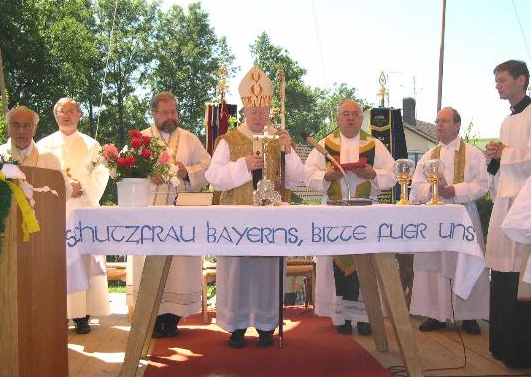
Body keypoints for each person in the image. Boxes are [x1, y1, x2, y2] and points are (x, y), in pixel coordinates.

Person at [205, 65, 304, 348]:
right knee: (237, 272)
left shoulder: (279, 138)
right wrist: (242, 166)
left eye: (263, 111)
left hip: (271, 219)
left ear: (269, 110)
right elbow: (213, 177)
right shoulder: (229, 140)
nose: (258, 117)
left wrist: (289, 150)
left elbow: (297, 179)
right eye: (253, 112)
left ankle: (266, 325)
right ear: (245, 112)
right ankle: (236, 326)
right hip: (237, 217)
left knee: (266, 273)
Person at [304, 99, 396, 335]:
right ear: (337, 118)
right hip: (334, 213)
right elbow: (308, 175)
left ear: (361, 118)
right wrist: (327, 177)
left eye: (355, 113)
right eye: (346, 113)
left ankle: (366, 318)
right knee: (339, 266)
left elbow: (394, 174)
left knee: (366, 264)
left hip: (365, 214)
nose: (351, 117)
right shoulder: (325, 144)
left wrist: (372, 173)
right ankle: (342, 318)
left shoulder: (374, 145)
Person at [126, 91, 211, 338]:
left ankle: (173, 319)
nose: (170, 116)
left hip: (180, 215)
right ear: (153, 113)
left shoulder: (189, 139)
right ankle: (150, 319)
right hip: (148, 216)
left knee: (179, 266)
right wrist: (146, 176)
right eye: (165, 112)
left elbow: (208, 167)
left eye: (173, 111)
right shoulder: (141, 139)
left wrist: (188, 172)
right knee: (147, 264)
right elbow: (124, 170)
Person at [409, 107, 489, 335]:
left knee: (465, 259)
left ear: (457, 125)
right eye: (437, 121)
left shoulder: (473, 154)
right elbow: (416, 185)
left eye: (444, 121)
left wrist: (455, 190)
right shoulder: (429, 155)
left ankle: (469, 315)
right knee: (435, 262)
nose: (439, 125)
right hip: (435, 218)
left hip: (462, 215)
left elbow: (482, 184)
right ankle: (436, 313)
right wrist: (434, 190)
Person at [37, 97, 110, 334]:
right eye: (61, 111)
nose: (66, 115)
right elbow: (37, 176)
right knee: (56, 262)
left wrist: (82, 187)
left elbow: (101, 175)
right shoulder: (43, 145)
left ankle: (82, 315)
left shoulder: (92, 145)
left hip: (82, 211)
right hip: (54, 212)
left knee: (83, 262)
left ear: (79, 115)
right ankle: (58, 313)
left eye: (71, 111)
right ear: (55, 115)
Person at [485, 60, 531, 368]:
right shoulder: (506, 120)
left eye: (502, 80)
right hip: (504, 200)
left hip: (525, 204)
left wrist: (507, 154)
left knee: (519, 275)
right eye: (496, 80)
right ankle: (501, 344)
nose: (497, 85)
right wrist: (494, 159)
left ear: (522, 80)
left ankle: (520, 350)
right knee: (501, 273)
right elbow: (505, 162)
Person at [0, 106, 65, 175]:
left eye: (26, 126)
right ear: (8, 129)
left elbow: (63, 188)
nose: (21, 131)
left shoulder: (50, 159)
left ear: (34, 130)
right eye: (16, 125)